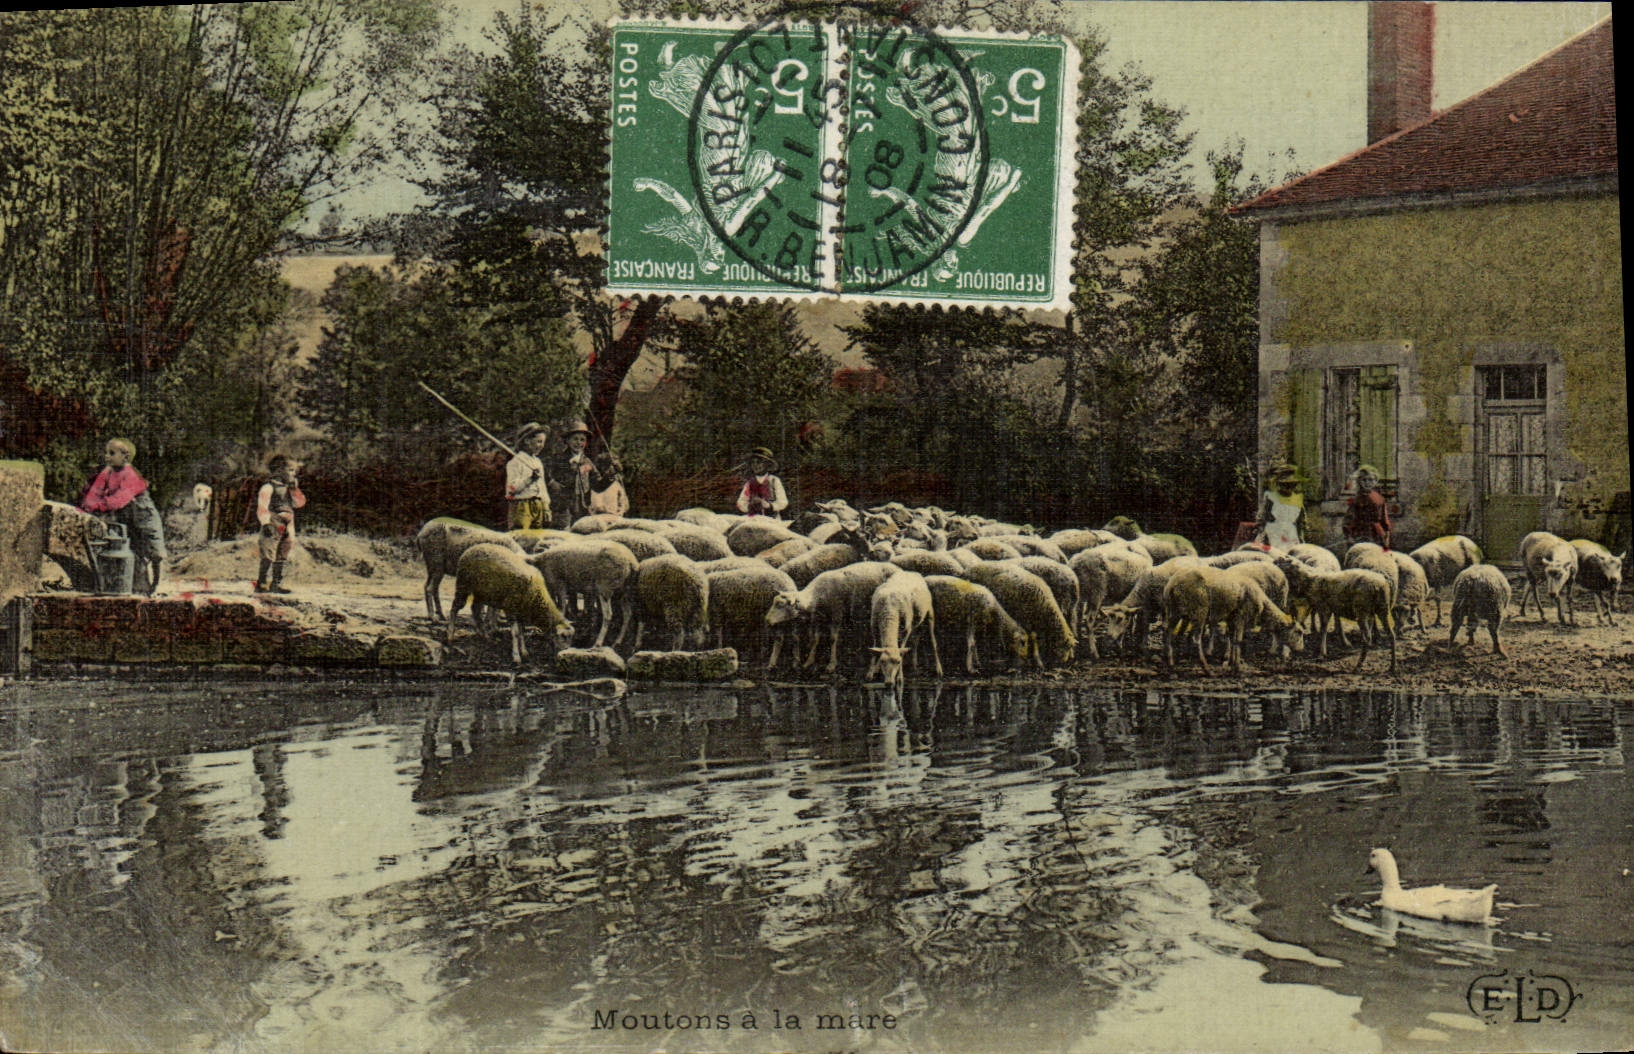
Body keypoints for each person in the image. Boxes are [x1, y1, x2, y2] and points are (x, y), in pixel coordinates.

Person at [78, 437, 168, 595]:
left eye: (112, 453)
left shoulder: (130, 475)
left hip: (143, 515)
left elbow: (119, 500)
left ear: (125, 457)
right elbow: (94, 493)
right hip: (125, 517)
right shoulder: (107, 472)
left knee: (154, 550)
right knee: (130, 550)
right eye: (106, 453)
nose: (107, 456)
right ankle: (137, 587)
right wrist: (89, 505)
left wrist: (99, 505)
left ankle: (156, 584)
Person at [547, 421, 616, 528]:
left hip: (583, 507)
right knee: (563, 534)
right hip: (563, 507)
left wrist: (610, 474)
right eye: (575, 439)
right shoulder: (559, 459)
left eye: (582, 440)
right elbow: (549, 477)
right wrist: (554, 486)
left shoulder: (587, 462)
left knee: (582, 533)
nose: (579, 443)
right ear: (567, 440)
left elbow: (598, 486)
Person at [254, 454, 306, 594]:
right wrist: (265, 523)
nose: (293, 473)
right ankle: (262, 582)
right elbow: (262, 506)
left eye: (294, 471)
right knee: (268, 552)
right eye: (290, 470)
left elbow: (299, 503)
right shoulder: (268, 487)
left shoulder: (290, 489)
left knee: (283, 551)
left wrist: (294, 490)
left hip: (288, 522)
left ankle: (276, 583)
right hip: (274, 521)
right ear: (278, 470)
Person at [505, 422, 550, 530]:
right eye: (539, 442)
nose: (541, 446)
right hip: (521, 506)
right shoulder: (515, 462)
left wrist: (546, 506)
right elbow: (511, 489)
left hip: (538, 505)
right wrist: (530, 479)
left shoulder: (538, 462)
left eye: (543, 442)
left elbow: (542, 487)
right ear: (527, 441)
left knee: (537, 536)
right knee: (522, 536)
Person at [1256, 464, 1306, 552]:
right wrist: (1262, 534)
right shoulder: (1271, 497)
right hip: (1273, 532)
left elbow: (1301, 522)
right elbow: (1263, 518)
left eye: (1292, 485)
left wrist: (1301, 538)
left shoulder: (1298, 499)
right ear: (1279, 484)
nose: (1289, 488)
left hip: (1291, 534)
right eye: (1285, 485)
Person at [1343, 463, 1391, 549]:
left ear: (1375, 481)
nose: (1367, 483)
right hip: (1360, 532)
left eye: (1370, 480)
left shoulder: (1380, 499)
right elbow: (1349, 519)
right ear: (1359, 481)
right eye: (1364, 480)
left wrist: (1386, 534)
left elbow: (1385, 519)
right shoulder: (1356, 499)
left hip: (1377, 533)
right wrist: (1349, 536)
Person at [736, 446, 788, 519]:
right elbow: (740, 502)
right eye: (753, 462)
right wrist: (749, 507)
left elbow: (783, 502)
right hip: (754, 519)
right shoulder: (750, 483)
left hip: (772, 520)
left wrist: (769, 506)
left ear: (767, 464)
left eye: (759, 462)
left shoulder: (774, 481)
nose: (755, 465)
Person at [588, 452, 630, 517]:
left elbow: (624, 505)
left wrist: (620, 512)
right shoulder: (594, 482)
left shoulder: (617, 483)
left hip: (614, 517)